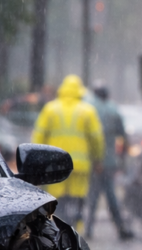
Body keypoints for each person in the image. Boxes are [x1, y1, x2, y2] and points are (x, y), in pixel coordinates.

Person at [32, 75, 104, 231]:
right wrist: (98, 159)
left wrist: (36, 159)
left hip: (55, 165)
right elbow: (96, 138)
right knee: (78, 196)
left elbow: (39, 135)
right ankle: (75, 227)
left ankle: (57, 227)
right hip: (80, 165)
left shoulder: (50, 109)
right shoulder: (87, 111)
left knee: (57, 198)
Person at [85, 82, 135, 240]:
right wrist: (124, 158)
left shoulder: (88, 109)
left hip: (93, 162)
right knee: (111, 196)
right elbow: (123, 137)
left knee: (92, 196)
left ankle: (88, 229)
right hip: (109, 162)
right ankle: (120, 227)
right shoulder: (113, 110)